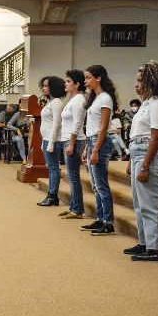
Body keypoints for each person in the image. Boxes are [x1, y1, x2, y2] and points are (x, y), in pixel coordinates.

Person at [125, 61, 158, 262]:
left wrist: (145, 165)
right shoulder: (146, 104)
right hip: (138, 151)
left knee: (151, 203)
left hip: (149, 154)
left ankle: (155, 248)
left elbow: (155, 137)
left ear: (152, 82)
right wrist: (131, 160)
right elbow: (137, 134)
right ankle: (144, 242)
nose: (136, 85)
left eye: (140, 81)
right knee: (139, 203)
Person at [81, 65, 118, 236]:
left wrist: (95, 149)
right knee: (96, 185)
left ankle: (108, 222)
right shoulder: (95, 98)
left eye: (88, 78)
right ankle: (100, 217)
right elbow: (92, 126)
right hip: (92, 140)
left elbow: (103, 127)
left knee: (101, 185)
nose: (85, 81)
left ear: (99, 78)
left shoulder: (105, 98)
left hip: (100, 142)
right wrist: (88, 147)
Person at [59, 69, 87, 219]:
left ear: (77, 84)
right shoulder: (73, 99)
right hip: (68, 139)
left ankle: (77, 209)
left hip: (74, 140)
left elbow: (77, 123)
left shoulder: (79, 100)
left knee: (74, 176)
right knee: (71, 176)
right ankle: (74, 206)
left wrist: (72, 143)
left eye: (69, 81)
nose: (66, 83)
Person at [37, 76, 65, 207]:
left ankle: (52, 195)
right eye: (43, 85)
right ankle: (51, 194)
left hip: (53, 140)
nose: (44, 88)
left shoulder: (57, 103)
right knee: (51, 168)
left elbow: (56, 124)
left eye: (47, 86)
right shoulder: (51, 102)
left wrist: (52, 142)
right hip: (47, 139)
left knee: (54, 168)